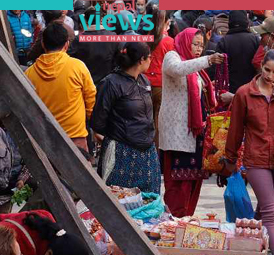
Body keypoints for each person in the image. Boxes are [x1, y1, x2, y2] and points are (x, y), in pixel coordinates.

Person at [222, 49, 274, 255]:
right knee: (270, 211)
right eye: (267, 70)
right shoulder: (244, 93)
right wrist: (229, 161)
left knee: (263, 210)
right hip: (255, 159)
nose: (270, 76)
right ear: (260, 66)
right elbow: (235, 130)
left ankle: (248, 245)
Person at [159, 27, 226, 217]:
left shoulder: (196, 69)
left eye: (201, 46)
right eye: (195, 44)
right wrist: (208, 60)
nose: (198, 49)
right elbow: (177, 70)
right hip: (177, 133)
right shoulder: (173, 56)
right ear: (185, 41)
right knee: (177, 182)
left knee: (193, 180)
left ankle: (186, 219)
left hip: (195, 133)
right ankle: (173, 220)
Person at [94, 42, 163, 194]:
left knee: (149, 199)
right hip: (121, 152)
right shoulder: (111, 83)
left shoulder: (144, 81)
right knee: (119, 200)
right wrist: (113, 138)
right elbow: (98, 121)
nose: (151, 60)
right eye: (150, 57)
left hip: (147, 153)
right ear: (141, 60)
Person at [26, 22, 97, 157]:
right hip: (75, 136)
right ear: (66, 44)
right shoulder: (77, 67)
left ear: (43, 44)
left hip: (46, 138)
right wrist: (94, 126)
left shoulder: (30, 74)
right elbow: (91, 99)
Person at [216, 10, 261, 96]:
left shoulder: (223, 41)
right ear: (246, 21)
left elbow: (218, 68)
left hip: (231, 90)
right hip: (253, 88)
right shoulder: (255, 40)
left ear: (229, 22)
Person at [147, 8, 176, 137]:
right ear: (167, 22)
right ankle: (158, 154)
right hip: (161, 85)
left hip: (144, 83)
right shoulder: (169, 42)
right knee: (159, 123)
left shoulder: (146, 39)